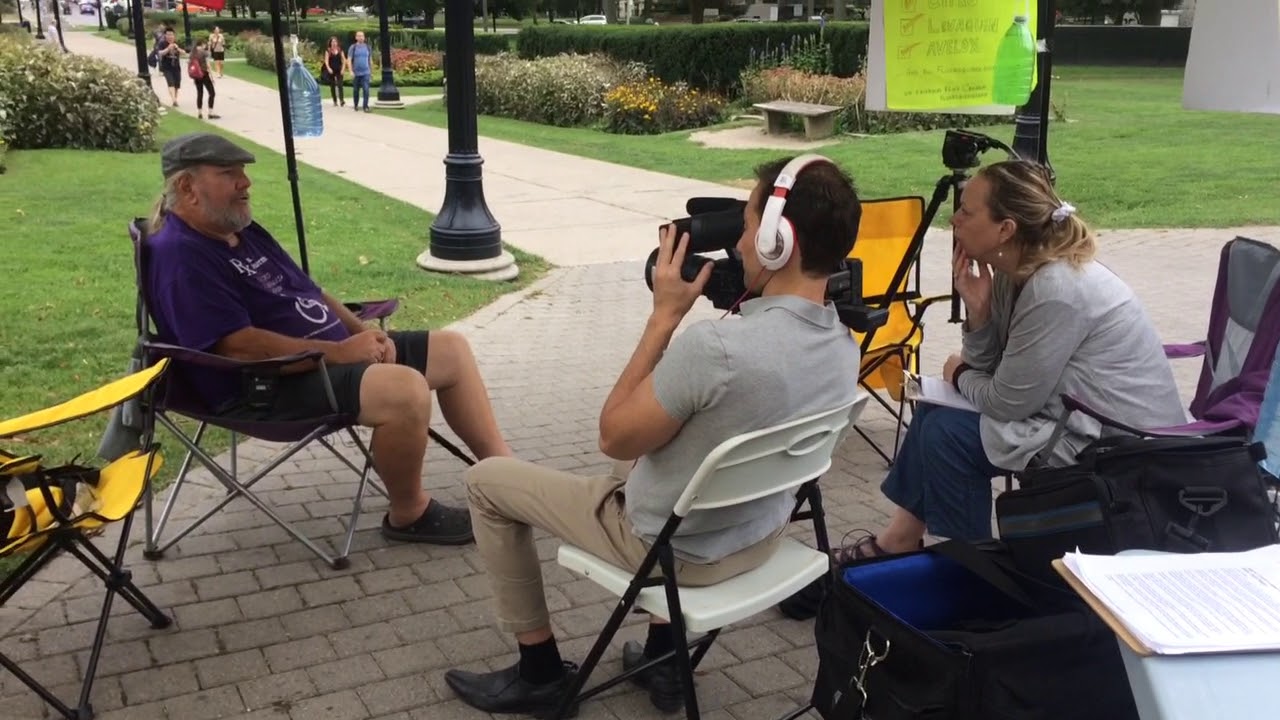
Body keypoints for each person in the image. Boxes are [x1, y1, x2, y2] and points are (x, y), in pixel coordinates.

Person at [444, 155, 863, 716]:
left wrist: (664, 318)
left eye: (747, 227)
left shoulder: (716, 350)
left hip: (674, 555)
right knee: (664, 458)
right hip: (760, 538)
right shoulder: (845, 348)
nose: (739, 245)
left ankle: (539, 672)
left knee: (486, 481)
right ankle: (666, 658)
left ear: (775, 244)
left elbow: (614, 435)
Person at [143, 132, 514, 545]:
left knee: (451, 350)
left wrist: (363, 333)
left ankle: (509, 478)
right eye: (229, 174)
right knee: (404, 390)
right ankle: (409, 513)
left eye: (244, 173)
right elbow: (237, 345)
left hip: (326, 359)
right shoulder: (181, 254)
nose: (245, 183)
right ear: (187, 188)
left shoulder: (242, 232)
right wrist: (339, 352)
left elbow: (311, 291)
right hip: (264, 385)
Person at [847, 160, 1187, 558]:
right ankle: (901, 541)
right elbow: (992, 372)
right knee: (932, 413)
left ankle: (971, 566)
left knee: (948, 435)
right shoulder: (1013, 271)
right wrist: (979, 314)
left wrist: (958, 374)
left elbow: (1006, 401)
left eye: (967, 211)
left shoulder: (1055, 287)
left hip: (1117, 446)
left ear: (1005, 229)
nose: (954, 219)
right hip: (1071, 418)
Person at [188, 38, 218, 120]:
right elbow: (208, 65)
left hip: (196, 76)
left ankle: (200, 112)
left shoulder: (192, 53)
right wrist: (212, 77)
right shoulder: (204, 53)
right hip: (204, 74)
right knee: (212, 93)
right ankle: (210, 112)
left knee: (200, 93)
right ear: (202, 44)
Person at [155, 28, 185, 107]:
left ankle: (175, 98)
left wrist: (177, 48)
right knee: (170, 82)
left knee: (177, 84)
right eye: (168, 35)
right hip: (167, 67)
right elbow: (160, 53)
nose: (170, 36)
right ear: (165, 35)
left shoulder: (177, 43)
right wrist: (168, 49)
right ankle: (174, 100)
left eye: (171, 34)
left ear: (174, 35)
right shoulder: (162, 43)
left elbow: (184, 53)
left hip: (176, 67)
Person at [347, 31, 373, 113]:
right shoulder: (353, 47)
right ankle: (356, 105)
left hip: (366, 72)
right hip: (356, 73)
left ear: (364, 37)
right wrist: (351, 71)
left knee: (366, 90)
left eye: (362, 36)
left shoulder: (368, 47)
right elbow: (349, 60)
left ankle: (365, 106)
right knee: (356, 90)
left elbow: (370, 60)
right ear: (356, 37)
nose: (361, 37)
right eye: (359, 36)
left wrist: (371, 72)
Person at [321, 36, 347, 108]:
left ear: (337, 43)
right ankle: (335, 100)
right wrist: (328, 68)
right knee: (332, 85)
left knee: (340, 85)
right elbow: (326, 61)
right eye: (332, 42)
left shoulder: (340, 50)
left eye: (335, 42)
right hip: (331, 70)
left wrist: (343, 69)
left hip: (339, 69)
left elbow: (344, 60)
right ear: (330, 43)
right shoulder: (328, 51)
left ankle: (341, 100)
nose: (334, 43)